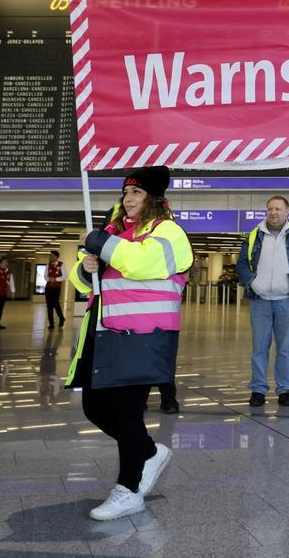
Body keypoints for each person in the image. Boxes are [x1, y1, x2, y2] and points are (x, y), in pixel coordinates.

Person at [66, 165, 193, 521]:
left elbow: (139, 262)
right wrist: (87, 264)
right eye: (125, 193)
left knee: (126, 411)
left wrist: (98, 244)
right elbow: (82, 281)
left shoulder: (169, 232)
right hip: (104, 332)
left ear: (153, 198)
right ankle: (150, 452)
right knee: (94, 407)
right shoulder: (113, 232)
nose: (128, 199)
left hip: (142, 336)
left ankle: (129, 489)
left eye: (136, 193)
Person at [235, 195, 289, 408]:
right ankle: (258, 390)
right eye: (270, 208)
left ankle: (285, 390)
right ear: (266, 211)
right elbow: (241, 263)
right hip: (259, 300)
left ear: (286, 212)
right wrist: (252, 282)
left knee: (285, 348)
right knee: (259, 347)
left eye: (278, 209)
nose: (274, 212)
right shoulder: (254, 234)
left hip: (287, 300)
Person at [45, 250, 66, 329]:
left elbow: (65, 276)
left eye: (52, 256)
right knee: (49, 305)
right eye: (50, 256)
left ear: (56, 257)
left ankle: (61, 318)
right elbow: (45, 275)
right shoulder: (48, 265)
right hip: (48, 287)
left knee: (55, 304)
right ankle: (51, 323)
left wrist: (55, 279)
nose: (50, 257)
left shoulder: (61, 265)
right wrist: (48, 279)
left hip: (56, 288)